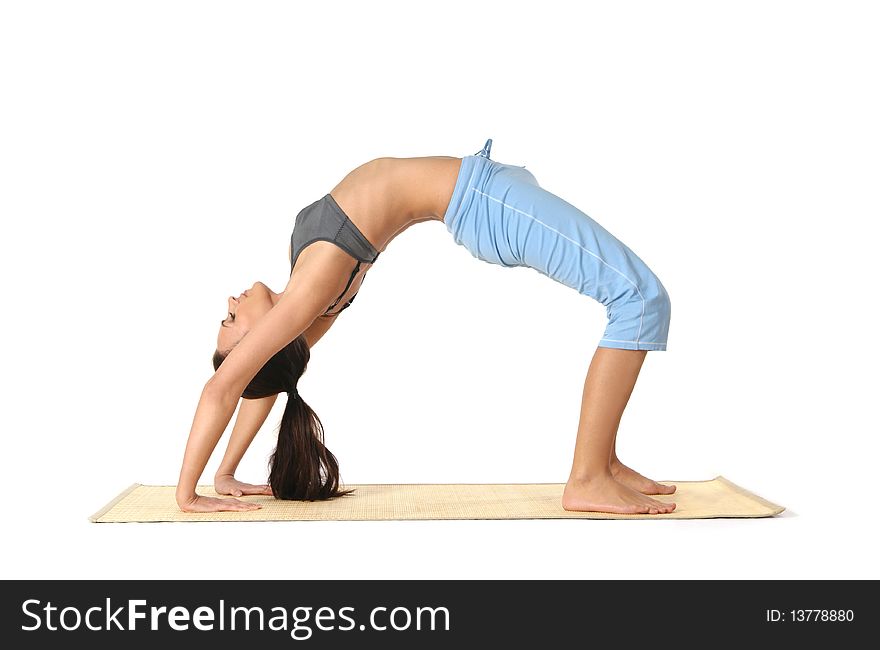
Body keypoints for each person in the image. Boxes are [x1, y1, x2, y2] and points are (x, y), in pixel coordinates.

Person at [176, 139, 676, 515]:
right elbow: (226, 387)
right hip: (483, 202)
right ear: (258, 347)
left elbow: (266, 384)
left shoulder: (306, 307)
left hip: (485, 188)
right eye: (231, 321)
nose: (230, 303)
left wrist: (225, 473)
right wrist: (186, 493)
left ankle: (605, 464)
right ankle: (587, 477)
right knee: (639, 297)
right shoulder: (311, 289)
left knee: (636, 295)